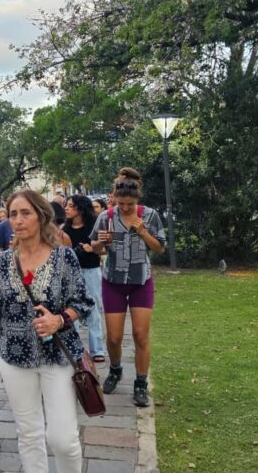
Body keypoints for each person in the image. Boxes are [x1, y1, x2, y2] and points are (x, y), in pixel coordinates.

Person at [0, 189, 93, 473]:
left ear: (41, 216)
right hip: (13, 356)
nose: (18, 220)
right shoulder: (0, 263)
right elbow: (1, 310)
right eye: (13, 214)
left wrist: (59, 320)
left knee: (63, 439)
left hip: (58, 355)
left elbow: (83, 303)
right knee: (29, 434)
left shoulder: (64, 257)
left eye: (26, 213)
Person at [91, 167, 166, 407]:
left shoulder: (150, 215)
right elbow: (96, 249)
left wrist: (142, 231)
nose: (124, 208)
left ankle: (141, 383)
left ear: (137, 199)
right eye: (120, 203)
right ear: (114, 198)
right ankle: (115, 370)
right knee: (113, 337)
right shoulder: (106, 217)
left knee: (140, 335)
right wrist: (101, 244)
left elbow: (160, 248)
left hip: (140, 282)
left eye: (129, 204)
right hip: (113, 281)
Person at [62, 195, 106, 362]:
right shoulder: (64, 229)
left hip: (91, 270)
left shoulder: (93, 227)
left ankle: (97, 350)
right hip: (71, 273)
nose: (66, 208)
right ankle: (73, 347)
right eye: (66, 205)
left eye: (71, 206)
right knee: (71, 308)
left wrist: (91, 249)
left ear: (80, 209)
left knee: (94, 307)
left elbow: (104, 250)